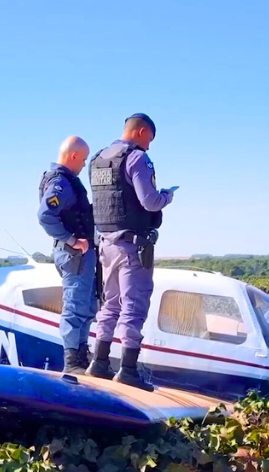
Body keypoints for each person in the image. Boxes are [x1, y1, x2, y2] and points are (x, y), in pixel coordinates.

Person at [84, 113, 176, 391]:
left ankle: (98, 362)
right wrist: (168, 196)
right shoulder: (136, 158)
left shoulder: (98, 159)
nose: (149, 146)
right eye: (150, 139)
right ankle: (128, 369)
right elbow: (149, 202)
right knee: (134, 306)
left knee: (110, 304)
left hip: (105, 244)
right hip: (132, 245)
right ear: (141, 132)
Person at [36, 135, 98, 375]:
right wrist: (71, 239)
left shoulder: (63, 181)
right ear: (73, 157)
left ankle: (81, 354)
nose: (83, 165)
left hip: (78, 255)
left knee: (86, 304)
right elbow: (45, 215)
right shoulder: (61, 184)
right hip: (74, 255)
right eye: (82, 160)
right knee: (75, 306)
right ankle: (73, 361)